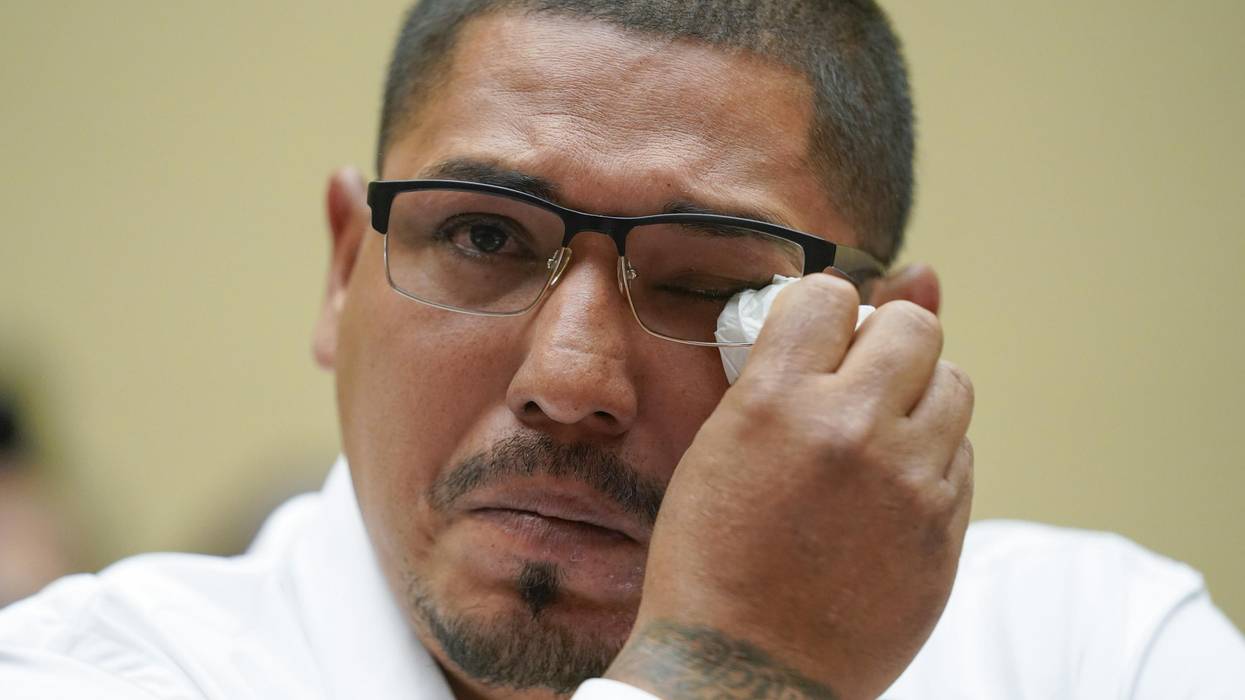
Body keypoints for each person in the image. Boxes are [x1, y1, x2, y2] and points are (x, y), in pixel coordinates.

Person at [1, 1, 1242, 698]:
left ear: (882, 350)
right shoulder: (87, 670)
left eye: (708, 280)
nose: (570, 380)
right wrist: (738, 670)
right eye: (483, 235)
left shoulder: (1096, 651)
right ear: (344, 268)